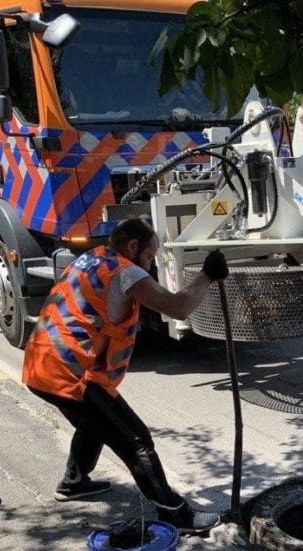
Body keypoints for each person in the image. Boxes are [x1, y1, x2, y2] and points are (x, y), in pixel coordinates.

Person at [22, 217, 227, 533]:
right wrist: (207, 276)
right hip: (69, 371)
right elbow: (178, 307)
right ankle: (176, 515)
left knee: (94, 421)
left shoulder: (92, 258)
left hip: (41, 362)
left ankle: (73, 482)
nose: (149, 264)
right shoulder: (126, 271)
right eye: (149, 256)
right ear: (133, 246)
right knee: (136, 440)